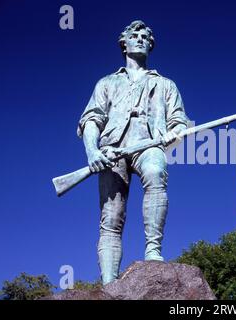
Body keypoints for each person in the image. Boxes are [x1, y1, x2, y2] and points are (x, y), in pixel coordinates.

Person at [76, 20, 189, 285]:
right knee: (112, 217)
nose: (140, 39)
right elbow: (92, 120)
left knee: (156, 171)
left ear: (150, 45)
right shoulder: (106, 83)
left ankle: (153, 250)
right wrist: (92, 151)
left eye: (145, 36)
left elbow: (179, 121)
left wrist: (176, 132)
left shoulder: (166, 85)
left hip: (148, 145)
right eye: (134, 35)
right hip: (111, 150)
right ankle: (109, 282)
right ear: (123, 43)